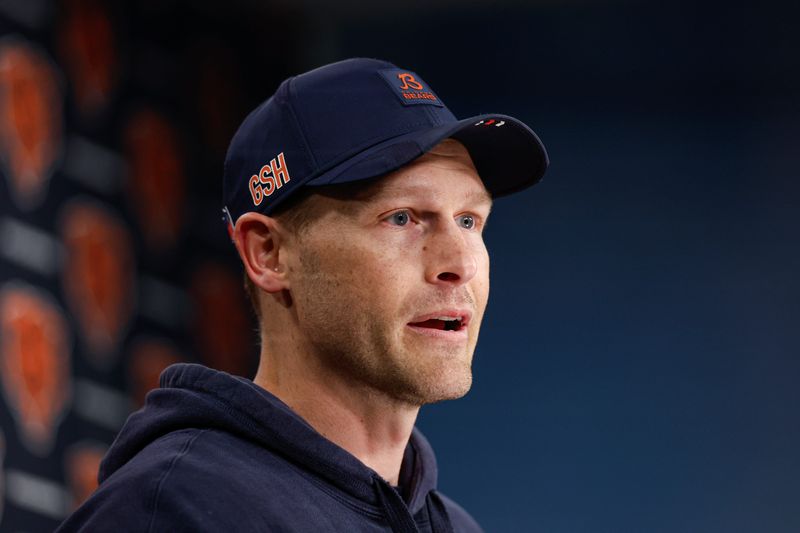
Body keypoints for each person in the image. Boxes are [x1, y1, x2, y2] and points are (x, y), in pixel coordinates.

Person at [57, 57, 549, 532]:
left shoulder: (455, 526)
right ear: (269, 253)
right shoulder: (173, 510)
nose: (460, 264)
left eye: (469, 220)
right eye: (401, 218)